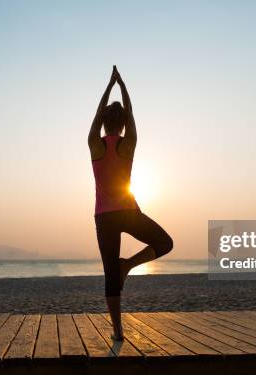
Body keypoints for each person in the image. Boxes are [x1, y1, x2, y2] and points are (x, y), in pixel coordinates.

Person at [88, 66, 173, 341]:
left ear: (102, 122)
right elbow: (131, 112)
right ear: (123, 124)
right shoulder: (129, 143)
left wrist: (107, 88)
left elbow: (97, 114)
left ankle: (118, 331)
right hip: (128, 212)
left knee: (110, 273)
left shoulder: (94, 144)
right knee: (164, 243)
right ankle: (130, 265)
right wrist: (122, 85)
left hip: (104, 216)